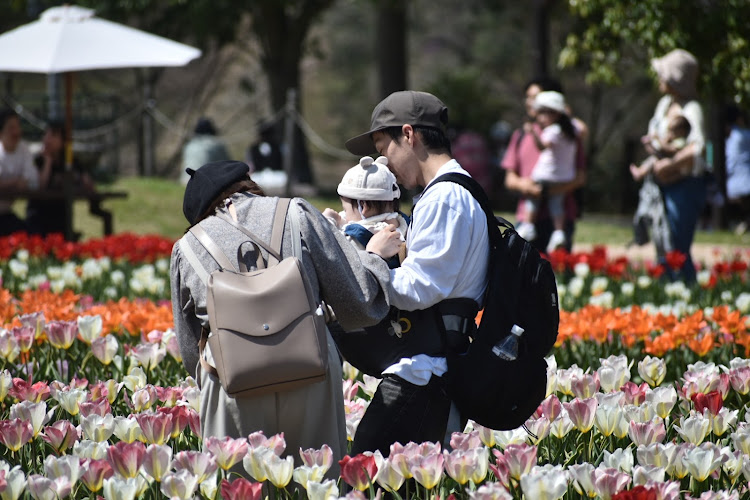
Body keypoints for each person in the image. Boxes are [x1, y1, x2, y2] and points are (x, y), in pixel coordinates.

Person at [170, 160, 399, 477]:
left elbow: (189, 349)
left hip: (231, 382)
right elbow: (359, 302)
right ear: (248, 184)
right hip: (310, 370)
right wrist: (371, 256)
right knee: (315, 485)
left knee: (239, 489)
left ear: (198, 215)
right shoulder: (297, 213)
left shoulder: (186, 247)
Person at [344, 90, 490, 456]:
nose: (385, 164)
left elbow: (419, 289)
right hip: (431, 362)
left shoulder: (446, 197)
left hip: (425, 370)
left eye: (385, 150)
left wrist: (368, 262)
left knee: (369, 468)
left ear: (409, 135)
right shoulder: (446, 192)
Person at [643, 48, 708, 282]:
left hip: (684, 184)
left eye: (663, 74)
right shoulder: (664, 104)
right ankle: (667, 285)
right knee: (662, 238)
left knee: (678, 243)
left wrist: (668, 165)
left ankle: (684, 285)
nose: (659, 79)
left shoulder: (691, 109)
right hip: (662, 183)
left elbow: (697, 148)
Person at [501, 77, 586, 253]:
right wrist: (527, 186)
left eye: (536, 97)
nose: (531, 103)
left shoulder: (567, 136)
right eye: (528, 97)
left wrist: (550, 191)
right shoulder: (521, 135)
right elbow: (510, 178)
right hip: (526, 217)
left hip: (560, 219)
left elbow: (580, 177)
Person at [516, 91, 579, 253]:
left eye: (544, 113)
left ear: (555, 114)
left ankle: (528, 225)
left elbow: (542, 146)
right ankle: (558, 233)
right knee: (557, 205)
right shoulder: (571, 129)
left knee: (532, 199)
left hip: (545, 174)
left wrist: (533, 133)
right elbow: (582, 129)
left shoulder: (552, 131)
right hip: (564, 177)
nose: (541, 117)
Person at [322, 155, 407, 268]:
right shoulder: (405, 225)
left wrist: (327, 222)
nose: (343, 214)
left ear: (363, 206)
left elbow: (326, 252)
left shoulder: (356, 237)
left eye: (346, 210)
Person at [629, 114, 692, 254]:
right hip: (663, 179)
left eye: (672, 131)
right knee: (651, 160)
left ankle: (640, 172)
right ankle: (640, 172)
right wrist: (650, 146)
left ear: (682, 131)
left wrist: (656, 140)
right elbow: (659, 152)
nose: (669, 134)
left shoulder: (681, 142)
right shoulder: (673, 140)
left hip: (673, 180)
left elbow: (668, 150)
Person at [26, 121, 95, 237]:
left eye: (53, 135)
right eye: (46, 135)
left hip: (61, 215)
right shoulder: (38, 161)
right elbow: (40, 186)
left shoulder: (70, 162)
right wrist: (47, 162)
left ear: (63, 141)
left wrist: (77, 179)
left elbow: (89, 184)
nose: (47, 139)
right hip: (39, 215)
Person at [0, 109, 38, 236]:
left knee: (29, 235)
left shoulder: (24, 149)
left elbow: (33, 179)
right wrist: (16, 181)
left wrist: (7, 183)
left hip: (6, 214)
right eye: (11, 127)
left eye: (17, 126)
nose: (16, 132)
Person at [179, 118, 231, 185]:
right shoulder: (217, 144)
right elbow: (227, 164)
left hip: (186, 180)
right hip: (207, 183)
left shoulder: (189, 144)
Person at [724, 104, 750, 234]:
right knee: (744, 200)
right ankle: (744, 223)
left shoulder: (733, 135)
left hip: (738, 175)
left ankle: (744, 223)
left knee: (743, 201)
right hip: (742, 174)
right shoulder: (742, 134)